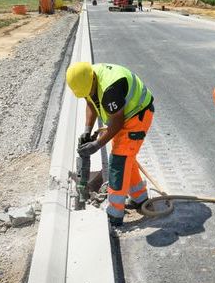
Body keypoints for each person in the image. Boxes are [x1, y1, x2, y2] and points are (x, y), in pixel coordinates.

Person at [65, 61, 155, 226]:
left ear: (92, 79)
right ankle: (140, 198)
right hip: (125, 115)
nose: (88, 94)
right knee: (126, 156)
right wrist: (87, 131)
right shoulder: (87, 77)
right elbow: (91, 103)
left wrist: (97, 144)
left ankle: (114, 213)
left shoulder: (110, 89)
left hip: (137, 115)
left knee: (118, 162)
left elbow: (117, 122)